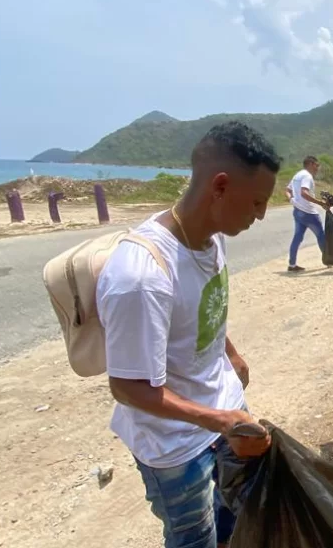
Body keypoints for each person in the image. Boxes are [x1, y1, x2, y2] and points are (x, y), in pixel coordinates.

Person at [96, 121, 276, 548]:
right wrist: (219, 421)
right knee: (194, 538)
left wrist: (229, 352)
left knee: (237, 515)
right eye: (256, 202)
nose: (261, 215)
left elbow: (203, 308)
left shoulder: (213, 239)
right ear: (219, 187)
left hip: (224, 414)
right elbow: (128, 386)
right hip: (175, 447)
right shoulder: (141, 276)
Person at [285, 155, 331, 272]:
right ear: (310, 164)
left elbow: (287, 190)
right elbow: (304, 193)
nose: (317, 167)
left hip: (298, 211)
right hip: (309, 213)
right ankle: (329, 260)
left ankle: (292, 264)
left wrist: (291, 200)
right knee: (321, 235)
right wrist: (320, 202)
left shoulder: (297, 175)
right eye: (316, 165)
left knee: (297, 237)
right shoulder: (307, 176)